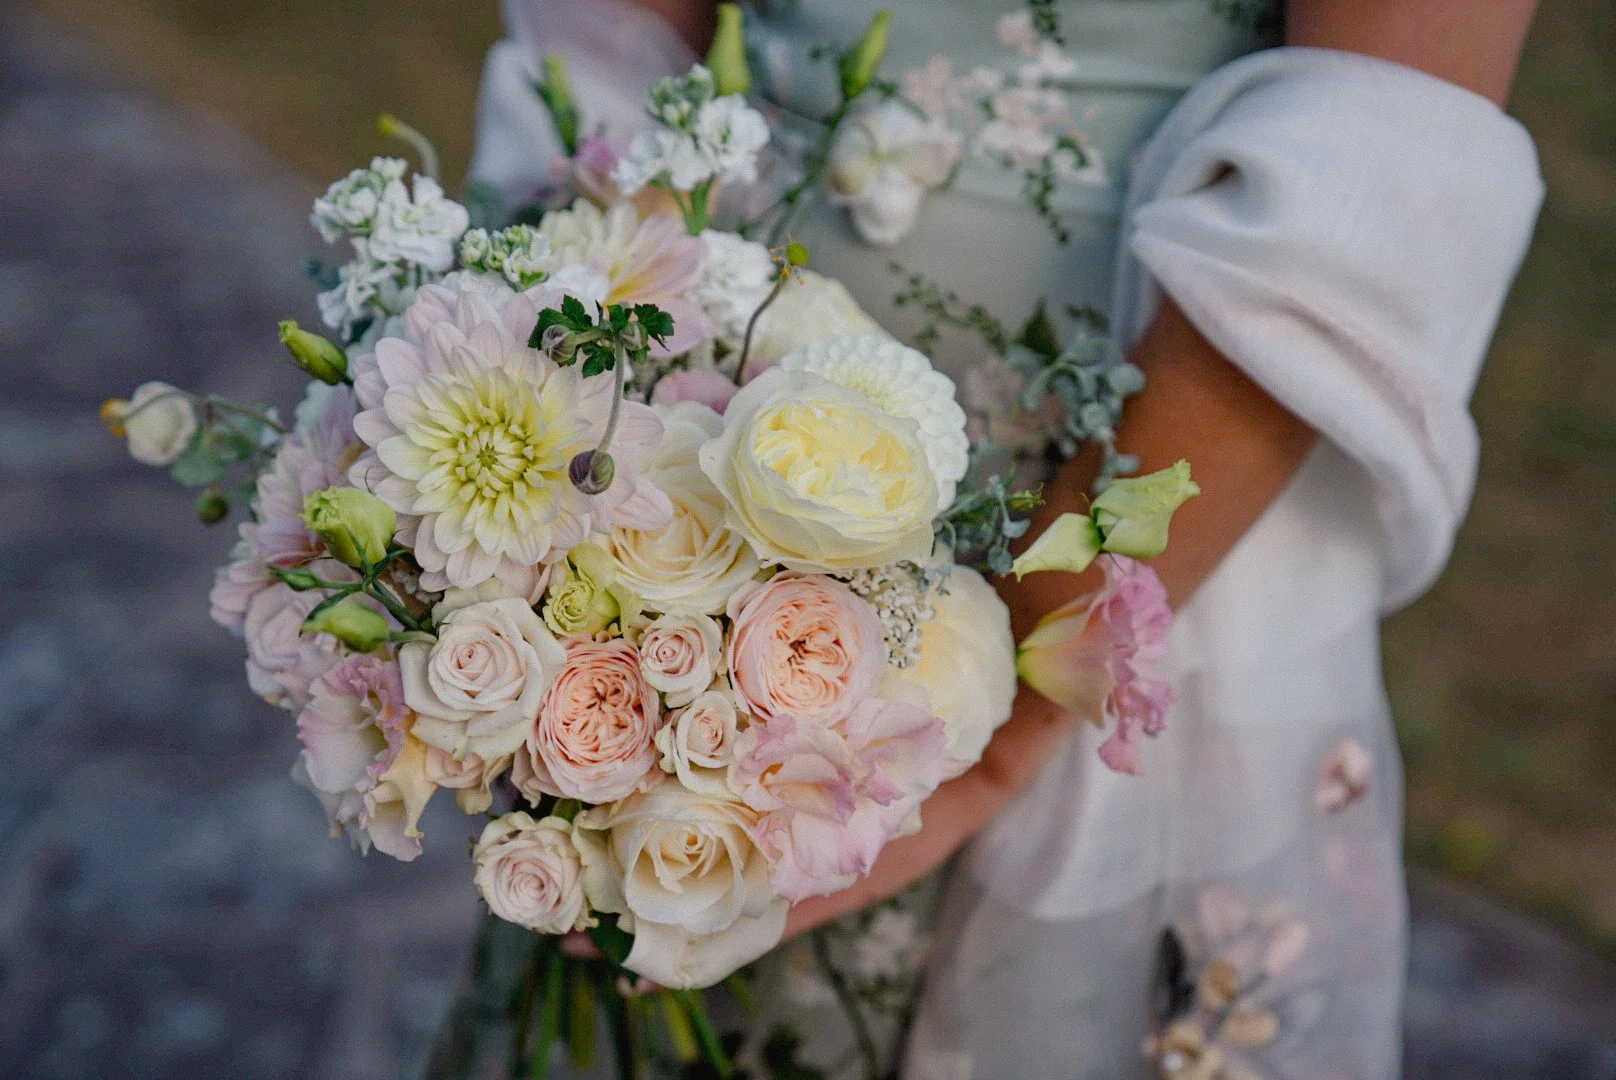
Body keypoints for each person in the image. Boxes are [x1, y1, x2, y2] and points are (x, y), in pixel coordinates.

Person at [468, 1, 1543, 1076]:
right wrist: (544, 393)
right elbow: (617, 46)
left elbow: (1375, 168)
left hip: (1115, 526)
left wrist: (1012, 705)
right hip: (677, 450)